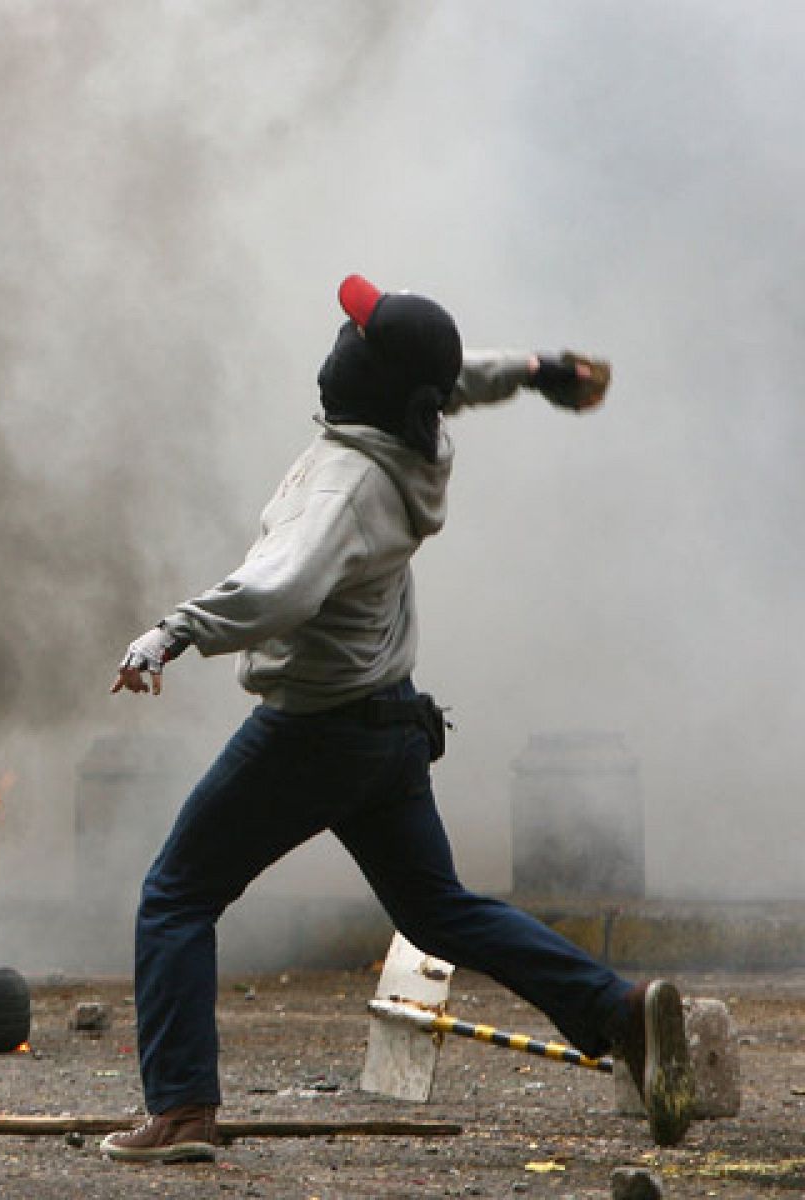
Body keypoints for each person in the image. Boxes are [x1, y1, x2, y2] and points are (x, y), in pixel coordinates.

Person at [101, 274, 695, 1164]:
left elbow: (282, 588)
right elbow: (453, 378)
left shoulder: (345, 483)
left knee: (176, 896)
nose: (340, 343)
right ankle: (616, 1011)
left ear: (369, 379)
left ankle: (181, 1113)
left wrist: (172, 633)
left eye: (358, 338)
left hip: (315, 733)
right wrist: (537, 370)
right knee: (439, 909)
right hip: (389, 728)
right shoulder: (406, 433)